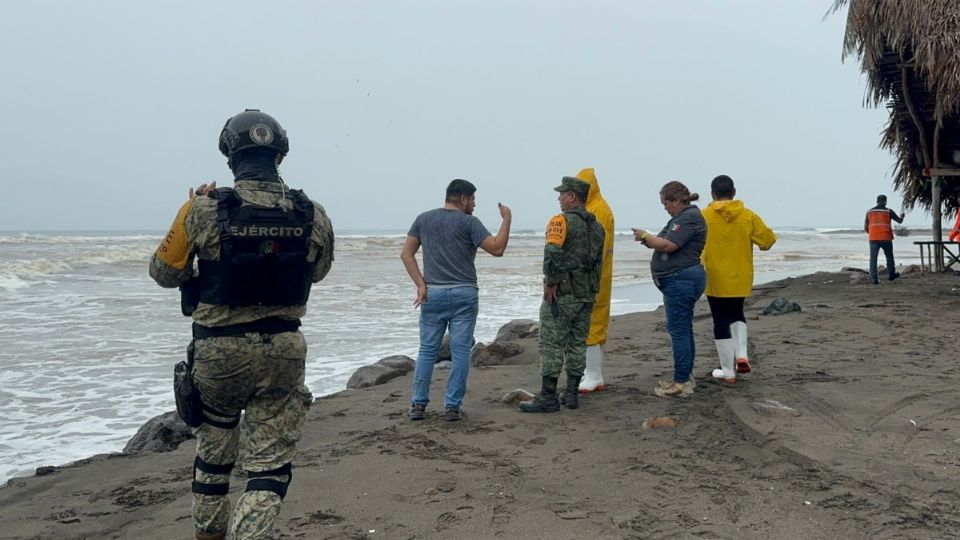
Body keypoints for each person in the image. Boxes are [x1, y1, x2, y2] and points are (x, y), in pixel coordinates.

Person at [149, 109, 334, 540]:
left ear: (231, 155)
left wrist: (190, 212)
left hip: (218, 353)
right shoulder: (313, 213)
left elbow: (164, 272)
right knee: (269, 468)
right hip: (284, 351)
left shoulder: (202, 209)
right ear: (279, 155)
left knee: (214, 456)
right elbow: (318, 272)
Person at [401, 179, 511, 422]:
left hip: (433, 293)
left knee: (427, 351)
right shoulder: (469, 222)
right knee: (460, 353)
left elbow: (406, 254)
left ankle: (418, 405)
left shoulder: (423, 219)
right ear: (462, 199)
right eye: (472, 199)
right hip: (464, 293)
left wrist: (420, 284)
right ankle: (452, 406)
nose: (474, 204)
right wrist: (506, 219)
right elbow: (497, 248)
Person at [519, 177, 604, 413]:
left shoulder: (560, 221)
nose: (559, 198)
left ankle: (548, 397)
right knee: (577, 343)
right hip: (586, 294)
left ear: (572, 196)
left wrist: (551, 282)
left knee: (551, 343)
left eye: (562, 193)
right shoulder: (597, 228)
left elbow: (552, 252)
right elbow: (598, 262)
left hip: (563, 294)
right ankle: (572, 393)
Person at [632, 181, 706, 398]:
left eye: (666, 203)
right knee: (682, 329)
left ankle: (681, 381)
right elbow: (664, 241)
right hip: (679, 279)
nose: (665, 207)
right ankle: (685, 375)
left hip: (681, 279)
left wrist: (646, 236)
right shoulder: (681, 218)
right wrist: (648, 240)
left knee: (679, 330)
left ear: (676, 200)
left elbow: (668, 246)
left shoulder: (689, 217)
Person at [701, 175, 776, 383]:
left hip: (714, 275)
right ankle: (741, 354)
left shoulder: (704, 215)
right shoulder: (748, 215)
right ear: (733, 193)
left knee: (720, 319)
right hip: (741, 274)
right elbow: (768, 241)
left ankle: (728, 371)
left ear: (712, 194)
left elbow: (693, 244)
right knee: (737, 313)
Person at [572, 168, 615, 394]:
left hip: (595, 276)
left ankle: (594, 375)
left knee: (592, 324)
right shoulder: (595, 207)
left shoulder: (597, 210)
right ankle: (592, 373)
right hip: (598, 275)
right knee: (591, 324)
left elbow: (593, 247)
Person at [864, 194, 905, 284]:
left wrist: (871, 233)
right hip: (886, 237)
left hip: (873, 238)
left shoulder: (869, 212)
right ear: (885, 201)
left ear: (877, 201)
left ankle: (874, 279)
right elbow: (899, 221)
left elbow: (866, 226)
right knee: (889, 257)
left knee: (873, 259)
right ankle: (891, 275)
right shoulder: (888, 211)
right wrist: (902, 216)